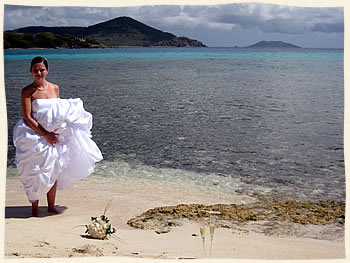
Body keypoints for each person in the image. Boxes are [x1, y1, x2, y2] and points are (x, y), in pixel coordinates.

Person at [13, 56, 103, 217]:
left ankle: (51, 206)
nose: (39, 73)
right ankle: (34, 208)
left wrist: (61, 130)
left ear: (47, 70)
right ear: (31, 72)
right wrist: (45, 134)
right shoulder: (27, 91)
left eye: (41, 69)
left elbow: (58, 113)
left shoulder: (55, 88)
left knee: (54, 169)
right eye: (35, 70)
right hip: (35, 136)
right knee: (36, 170)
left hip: (54, 136)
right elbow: (27, 117)